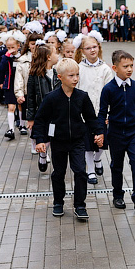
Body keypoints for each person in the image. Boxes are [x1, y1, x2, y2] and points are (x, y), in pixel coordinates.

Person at [32, 58, 104, 220]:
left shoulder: (82, 97)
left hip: (78, 141)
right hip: (58, 141)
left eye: (77, 75)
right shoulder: (52, 98)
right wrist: (40, 140)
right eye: (71, 75)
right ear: (60, 77)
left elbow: (91, 118)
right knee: (59, 173)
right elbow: (40, 119)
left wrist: (98, 133)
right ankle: (58, 202)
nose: (76, 79)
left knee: (80, 172)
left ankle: (80, 205)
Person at [98, 50, 135, 213]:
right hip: (115, 133)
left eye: (131, 66)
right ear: (115, 68)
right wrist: (101, 132)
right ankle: (118, 195)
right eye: (125, 66)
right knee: (117, 165)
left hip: (133, 133)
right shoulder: (108, 89)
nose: (129, 69)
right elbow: (102, 112)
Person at [74, 32, 114, 184]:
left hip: (101, 112)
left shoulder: (105, 69)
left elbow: (110, 91)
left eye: (94, 47)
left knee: (102, 143)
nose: (92, 50)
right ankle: (90, 170)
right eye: (88, 48)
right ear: (82, 51)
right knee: (88, 144)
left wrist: (109, 112)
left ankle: (98, 160)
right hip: (85, 113)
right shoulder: (79, 68)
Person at [24, 42, 58, 172]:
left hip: (55, 115)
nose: (57, 55)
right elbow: (31, 98)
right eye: (55, 53)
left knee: (53, 138)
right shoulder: (34, 76)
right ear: (49, 57)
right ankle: (43, 155)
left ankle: (55, 165)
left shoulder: (56, 74)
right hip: (41, 114)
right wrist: (30, 118)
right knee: (44, 138)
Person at [0, 36, 21, 140]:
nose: (10, 50)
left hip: (20, 83)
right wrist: (6, 56)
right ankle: (11, 129)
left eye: (12, 47)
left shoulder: (22, 56)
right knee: (11, 107)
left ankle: (22, 124)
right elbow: (1, 68)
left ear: (18, 46)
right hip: (10, 84)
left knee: (20, 105)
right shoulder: (6, 56)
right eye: (8, 47)